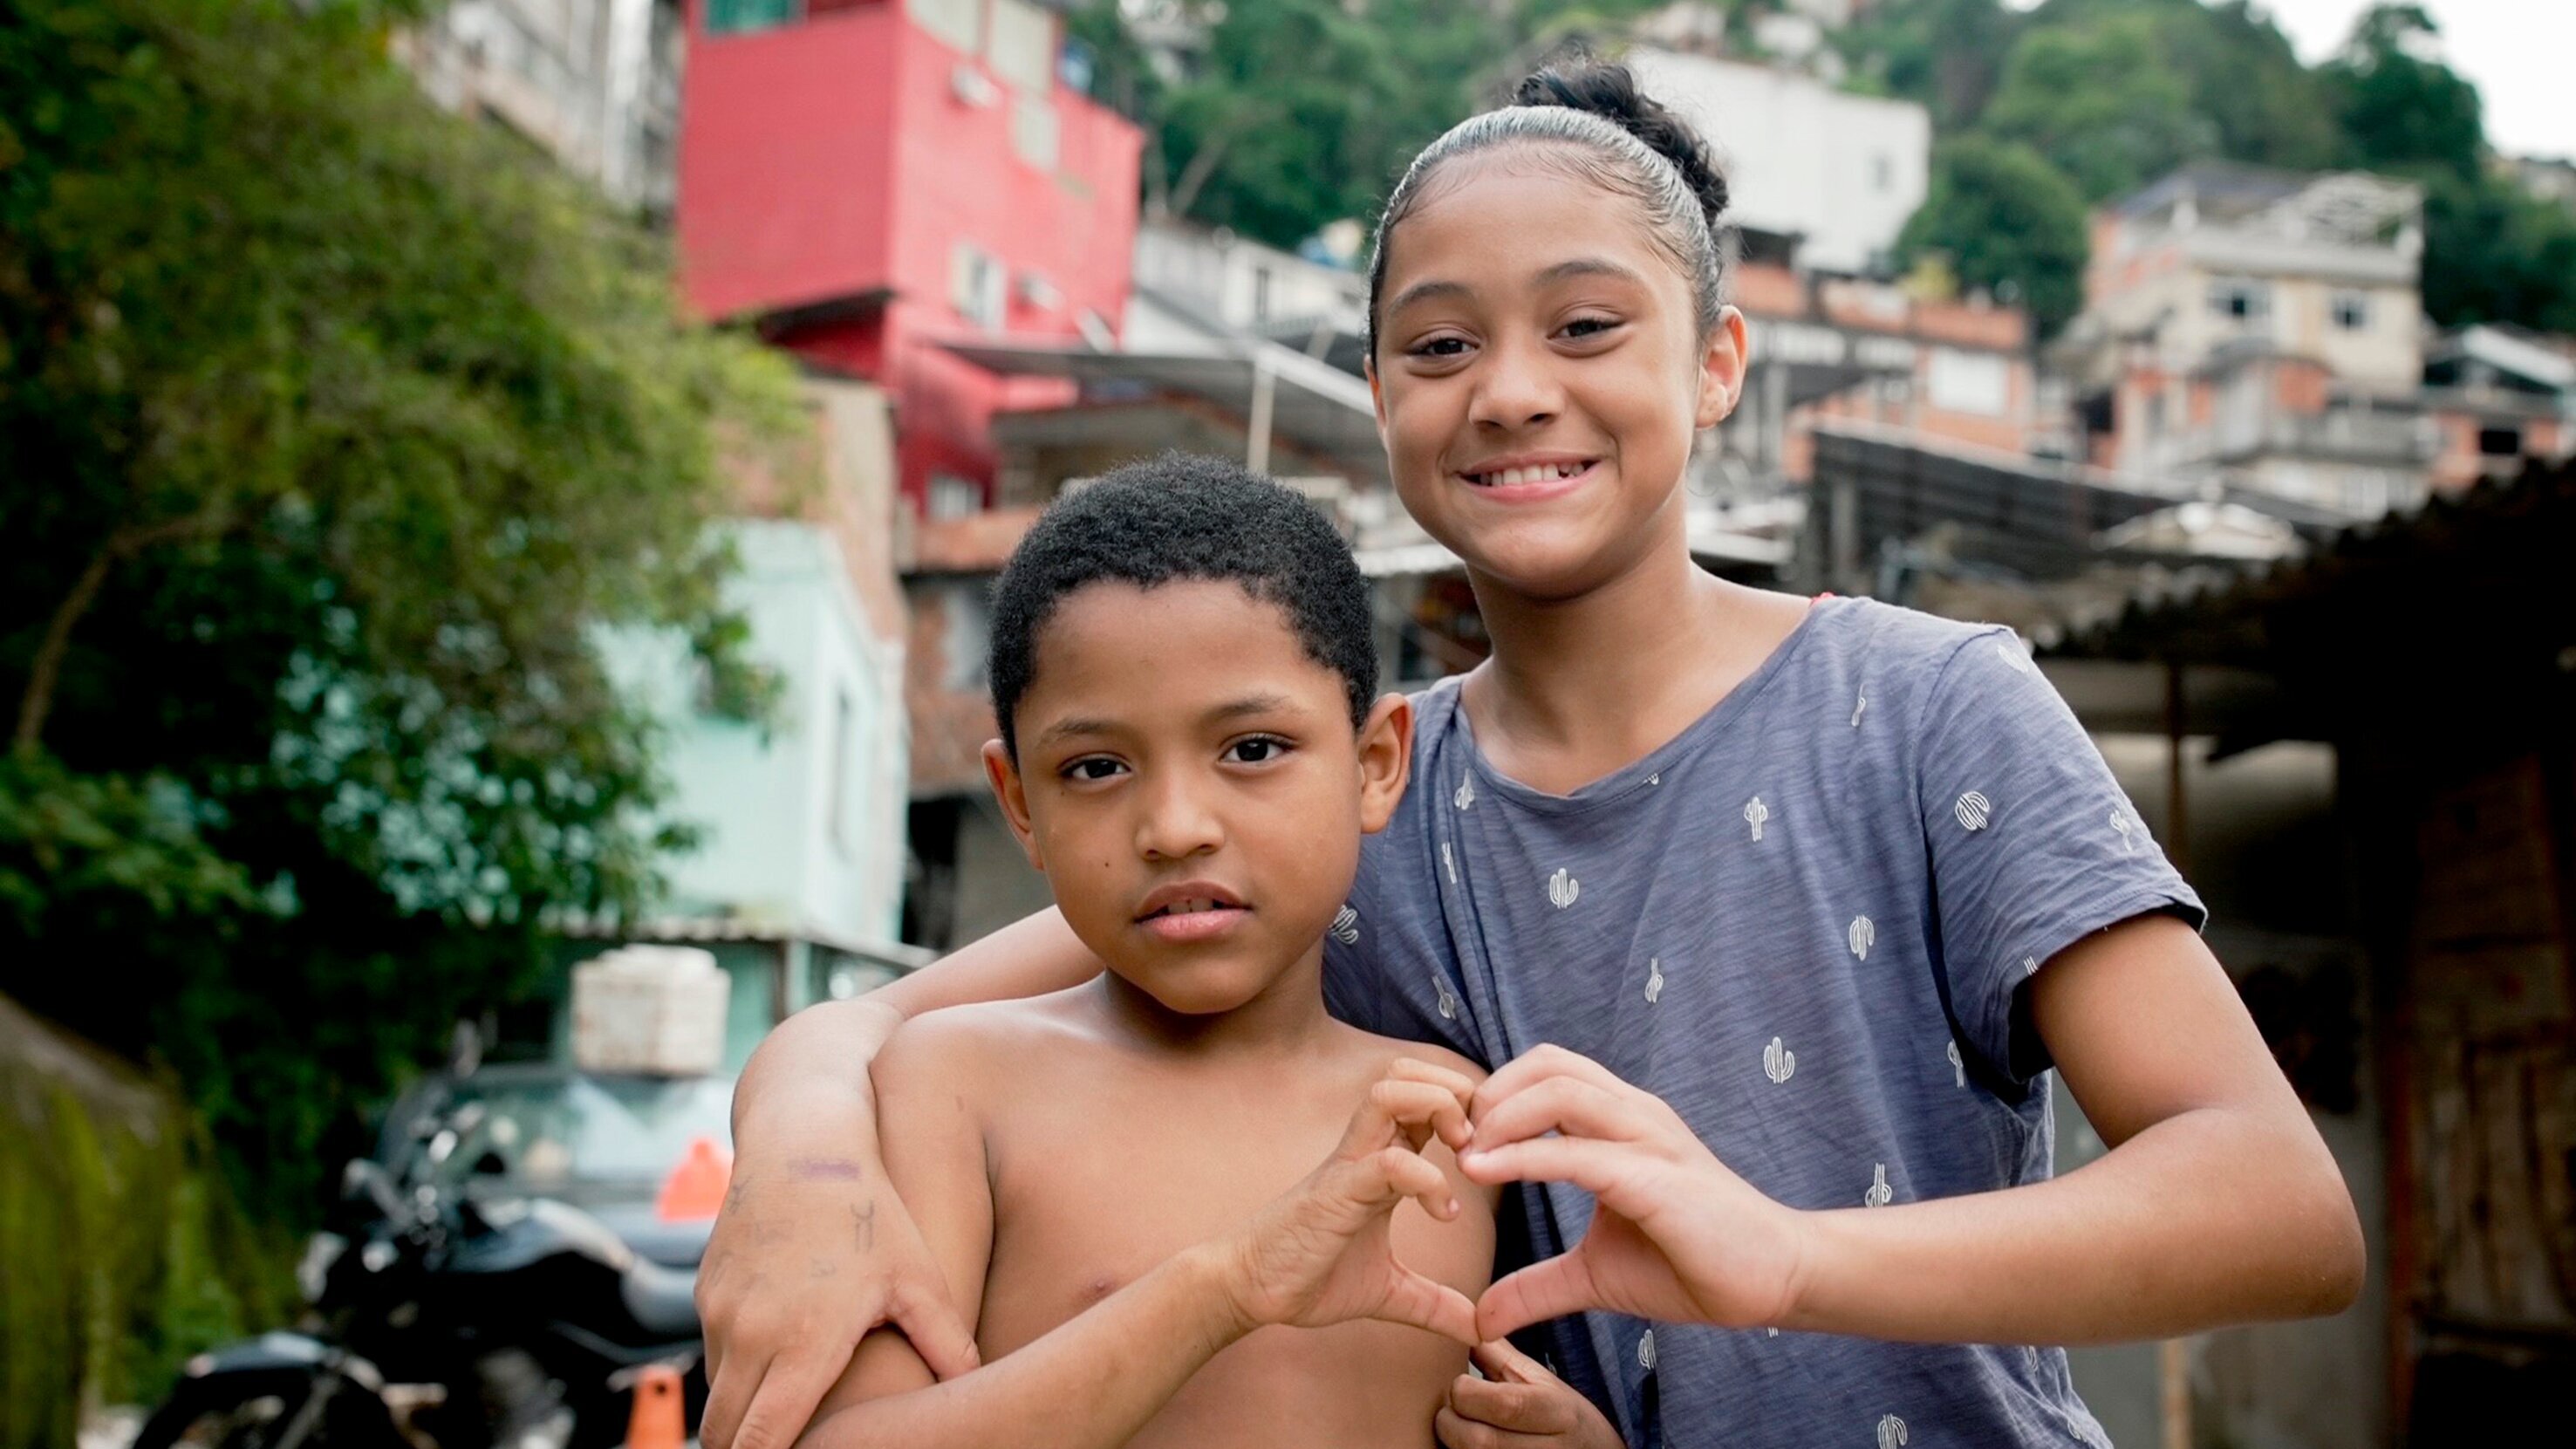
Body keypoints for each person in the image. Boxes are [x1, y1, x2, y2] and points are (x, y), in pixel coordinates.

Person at [700, 62, 2366, 1449]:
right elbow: (861, 1027)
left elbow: (2274, 1206)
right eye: (1438, 345)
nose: (1508, 392)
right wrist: (795, 1178)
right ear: (1376, 393)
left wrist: (1784, 1258)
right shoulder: (1349, 796)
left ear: (1714, 364)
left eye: (1584, 327)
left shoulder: (1923, 706)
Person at [777, 455, 1616, 1449]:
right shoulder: (957, 1084)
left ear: (1376, 763)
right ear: (1019, 806)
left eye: (1252, 748)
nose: (1173, 826)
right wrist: (1220, 1288)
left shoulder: (1446, 1116)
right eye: (1095, 766)